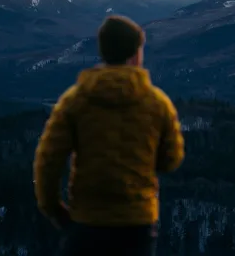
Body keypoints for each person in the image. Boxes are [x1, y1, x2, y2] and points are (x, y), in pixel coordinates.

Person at [33, 15, 185, 256]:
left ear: (103, 51)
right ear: (136, 55)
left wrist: (55, 210)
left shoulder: (75, 101)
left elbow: (48, 161)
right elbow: (171, 160)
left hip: (87, 220)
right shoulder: (158, 104)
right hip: (137, 223)